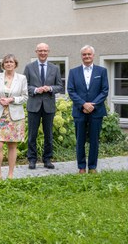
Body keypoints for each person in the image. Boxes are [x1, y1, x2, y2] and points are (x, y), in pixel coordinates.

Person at [67, 45, 108, 174]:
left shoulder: (101, 71)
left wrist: (92, 105)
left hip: (96, 111)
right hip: (80, 111)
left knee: (94, 140)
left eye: (89, 54)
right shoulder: (74, 72)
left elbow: (104, 90)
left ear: (93, 55)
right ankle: (81, 167)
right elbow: (71, 91)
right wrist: (84, 104)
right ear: (81, 56)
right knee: (80, 140)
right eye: (84, 54)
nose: (87, 56)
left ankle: (92, 167)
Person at [0, 54, 28, 181]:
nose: (9, 64)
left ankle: (10, 174)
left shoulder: (21, 78)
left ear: (15, 64)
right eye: (6, 62)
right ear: (3, 65)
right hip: (0, 115)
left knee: (12, 146)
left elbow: (25, 97)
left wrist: (12, 99)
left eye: (11, 62)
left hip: (15, 117)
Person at [23, 43, 63, 170]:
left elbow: (60, 86)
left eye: (45, 51)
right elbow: (25, 85)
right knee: (32, 134)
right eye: (40, 51)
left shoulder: (55, 68)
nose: (43, 53)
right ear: (36, 52)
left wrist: (50, 88)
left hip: (48, 106)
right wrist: (35, 90)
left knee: (48, 134)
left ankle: (47, 159)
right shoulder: (29, 67)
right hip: (34, 105)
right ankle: (32, 160)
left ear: (48, 52)